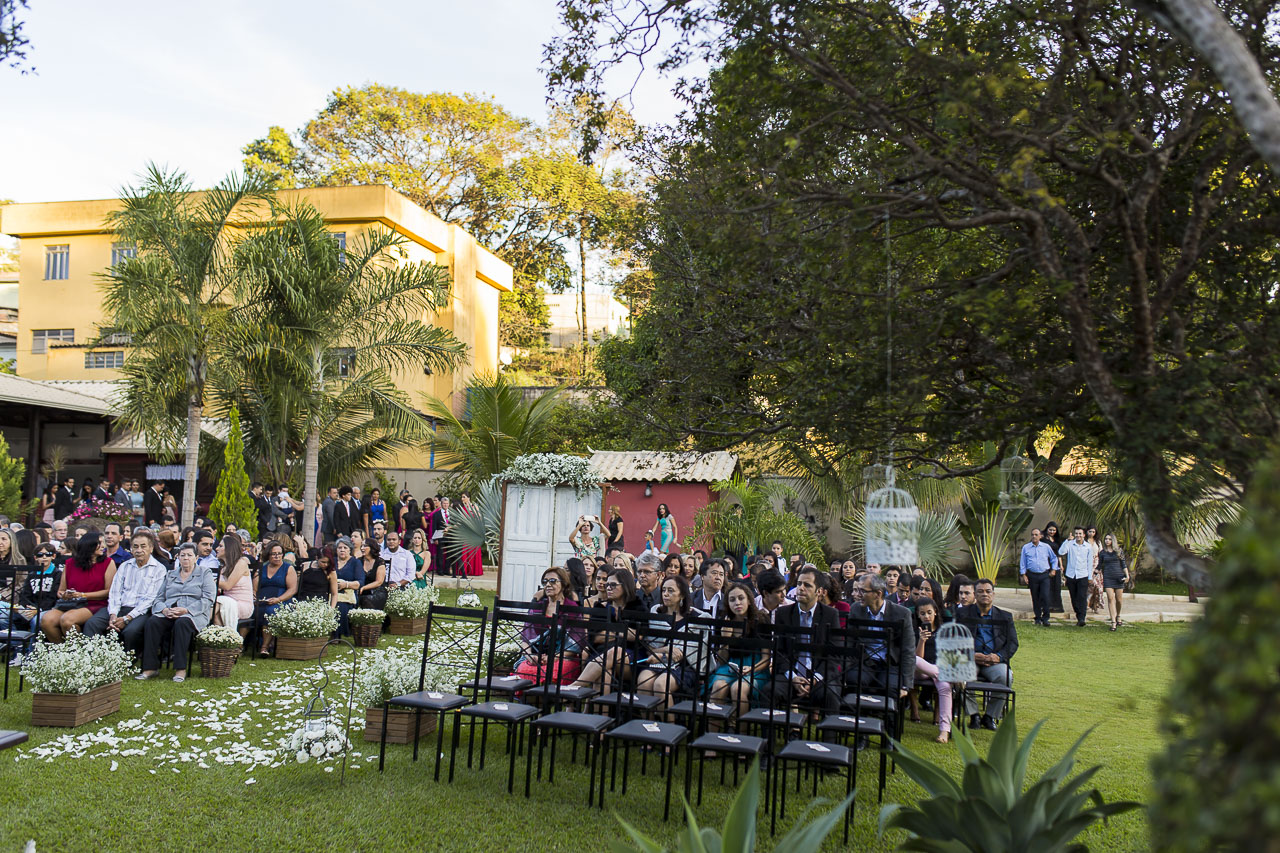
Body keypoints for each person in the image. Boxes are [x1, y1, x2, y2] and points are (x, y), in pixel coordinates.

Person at [135, 543, 217, 682]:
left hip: (193, 613)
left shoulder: (204, 573)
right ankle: (150, 668)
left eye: (189, 555)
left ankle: (180, 669)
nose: (185, 558)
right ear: (178, 557)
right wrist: (165, 610)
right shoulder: (170, 574)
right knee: (152, 622)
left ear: (196, 557)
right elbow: (159, 598)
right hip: (170, 611)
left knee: (182, 623)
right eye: (182, 555)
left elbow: (208, 598)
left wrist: (186, 610)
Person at [82, 529, 167, 655]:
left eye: (143, 546)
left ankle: (127, 662)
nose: (139, 550)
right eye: (135, 547)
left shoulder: (159, 569)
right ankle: (91, 659)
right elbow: (115, 592)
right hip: (119, 607)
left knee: (131, 632)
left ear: (151, 548)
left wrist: (127, 618)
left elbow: (151, 598)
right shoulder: (125, 566)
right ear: (131, 549)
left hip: (141, 611)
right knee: (92, 624)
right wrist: (113, 615)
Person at [772, 565, 842, 711]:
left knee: (830, 696)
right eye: (798, 584)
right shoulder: (783, 613)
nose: (801, 588)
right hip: (790, 674)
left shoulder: (830, 615)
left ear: (819, 592)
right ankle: (772, 733)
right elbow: (779, 652)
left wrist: (815, 678)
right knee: (770, 691)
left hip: (819, 675)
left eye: (807, 585)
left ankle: (829, 733)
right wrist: (792, 677)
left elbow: (833, 654)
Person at [569, 569, 648, 694]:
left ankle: (575, 687)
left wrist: (611, 632)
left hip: (632, 658)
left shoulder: (638, 606)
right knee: (604, 673)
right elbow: (594, 638)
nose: (608, 588)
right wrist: (623, 633)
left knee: (615, 652)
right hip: (601, 654)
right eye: (607, 585)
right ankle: (598, 712)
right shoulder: (600, 608)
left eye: (613, 585)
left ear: (626, 585)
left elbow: (639, 636)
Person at [955, 578, 1018, 730]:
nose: (985, 594)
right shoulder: (962, 614)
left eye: (988, 591)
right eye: (981, 591)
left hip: (994, 661)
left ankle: (990, 716)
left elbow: (1013, 643)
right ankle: (974, 715)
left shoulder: (1005, 617)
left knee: (1006, 677)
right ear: (975, 594)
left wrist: (999, 657)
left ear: (993, 594)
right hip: (970, 660)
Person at [636, 574, 706, 709]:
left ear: (682, 595)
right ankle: (647, 724)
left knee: (660, 684)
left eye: (671, 591)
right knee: (644, 680)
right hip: (659, 662)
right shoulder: (656, 614)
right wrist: (667, 650)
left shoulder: (697, 618)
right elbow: (650, 648)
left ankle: (668, 726)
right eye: (663, 590)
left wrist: (668, 654)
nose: (665, 594)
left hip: (686, 667)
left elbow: (691, 654)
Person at [847, 573, 916, 704]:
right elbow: (850, 642)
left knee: (890, 688)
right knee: (853, 679)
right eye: (857, 590)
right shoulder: (856, 609)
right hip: (865, 661)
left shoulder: (902, 614)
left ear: (878, 594)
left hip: (891, 663)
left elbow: (908, 649)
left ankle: (888, 722)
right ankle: (856, 719)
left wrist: (906, 684)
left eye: (862, 591)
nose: (857, 594)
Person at [708, 582, 770, 716]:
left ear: (749, 601)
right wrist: (725, 639)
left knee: (738, 688)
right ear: (728, 604)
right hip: (731, 665)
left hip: (756, 666)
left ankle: (739, 729)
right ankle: (713, 729)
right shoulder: (725, 621)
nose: (737, 603)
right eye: (732, 600)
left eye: (741, 598)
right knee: (718, 686)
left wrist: (752, 669)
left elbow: (766, 658)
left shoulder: (761, 620)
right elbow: (722, 660)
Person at [513, 567, 582, 685]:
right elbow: (526, 638)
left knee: (553, 673)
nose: (548, 584)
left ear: (564, 584)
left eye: (553, 581)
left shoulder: (572, 609)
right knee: (525, 670)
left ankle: (542, 701)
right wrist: (529, 656)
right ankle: (530, 701)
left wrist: (554, 657)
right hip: (536, 656)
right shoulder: (537, 608)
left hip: (563, 656)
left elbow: (576, 643)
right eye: (545, 582)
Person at [40, 533, 114, 642]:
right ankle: (61, 651)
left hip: (95, 603)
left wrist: (82, 595)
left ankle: (78, 652)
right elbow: (60, 591)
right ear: (88, 545)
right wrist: (64, 595)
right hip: (71, 602)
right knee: (47, 620)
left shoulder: (108, 563)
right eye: (99, 543)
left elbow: (108, 591)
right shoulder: (70, 563)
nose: (103, 546)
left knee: (67, 620)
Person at [911, 597, 953, 743]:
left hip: (938, 669)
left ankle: (944, 732)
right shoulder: (916, 631)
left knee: (945, 687)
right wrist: (922, 640)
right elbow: (918, 659)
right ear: (918, 615)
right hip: (922, 671)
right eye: (922, 614)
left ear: (935, 612)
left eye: (929, 612)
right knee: (914, 660)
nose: (926, 616)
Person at [254, 540, 298, 656]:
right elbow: (254, 588)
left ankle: (264, 647)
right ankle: (242, 644)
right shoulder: (262, 568)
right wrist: (254, 597)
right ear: (268, 555)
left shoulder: (288, 568)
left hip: (282, 600)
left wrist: (278, 599)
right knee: (252, 610)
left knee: (271, 611)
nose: (277, 556)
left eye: (279, 553)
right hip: (263, 600)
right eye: (274, 554)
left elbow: (292, 589)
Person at [1019, 528, 1059, 626]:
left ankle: (1046, 618)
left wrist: (1054, 569)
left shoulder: (1046, 547)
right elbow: (1023, 562)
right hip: (1032, 575)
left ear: (1040, 536)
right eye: (1032, 534)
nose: (1034, 536)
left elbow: (1054, 558)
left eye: (1036, 534)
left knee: (1045, 596)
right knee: (1035, 597)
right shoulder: (1026, 547)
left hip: (1044, 575)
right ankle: (1037, 617)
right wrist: (1024, 575)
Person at [1058, 526, 1098, 627]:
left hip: (1083, 575)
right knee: (1074, 597)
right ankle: (1078, 613)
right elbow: (1061, 552)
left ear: (1084, 535)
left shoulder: (1088, 547)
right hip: (1071, 575)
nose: (1078, 536)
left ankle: (1081, 618)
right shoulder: (1070, 544)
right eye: (1076, 534)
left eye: (1080, 534)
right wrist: (1067, 541)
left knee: (1081, 596)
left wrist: (1090, 577)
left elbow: (1089, 562)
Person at [213, 535, 253, 631]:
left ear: (229, 549)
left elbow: (227, 585)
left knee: (215, 606)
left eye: (220, 546)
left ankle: (224, 637)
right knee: (213, 608)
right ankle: (223, 639)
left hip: (242, 605)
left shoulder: (241, 563)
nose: (216, 548)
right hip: (227, 601)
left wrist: (211, 581)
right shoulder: (223, 568)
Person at [333, 538, 364, 636]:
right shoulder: (332, 561)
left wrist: (345, 584)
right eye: (339, 548)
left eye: (345, 548)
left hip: (349, 595)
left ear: (350, 550)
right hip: (332, 592)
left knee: (340, 607)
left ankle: (337, 635)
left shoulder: (356, 563)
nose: (342, 550)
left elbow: (360, 583)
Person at [1098, 534, 1130, 631]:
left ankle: (1118, 615)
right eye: (1106, 539)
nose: (1107, 541)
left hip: (1119, 577)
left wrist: (1127, 576)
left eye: (1109, 539)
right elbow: (1099, 565)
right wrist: (1093, 572)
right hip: (1108, 577)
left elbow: (1123, 564)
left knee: (1119, 600)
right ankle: (1113, 622)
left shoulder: (1118, 551)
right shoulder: (1102, 552)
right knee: (1110, 598)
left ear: (1113, 540)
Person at [356, 538, 386, 609]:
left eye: (365, 546)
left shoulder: (379, 562)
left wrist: (364, 588)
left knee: (367, 599)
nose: (362, 548)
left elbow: (379, 582)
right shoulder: (358, 561)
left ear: (372, 548)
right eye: (361, 546)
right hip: (360, 589)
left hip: (376, 590)